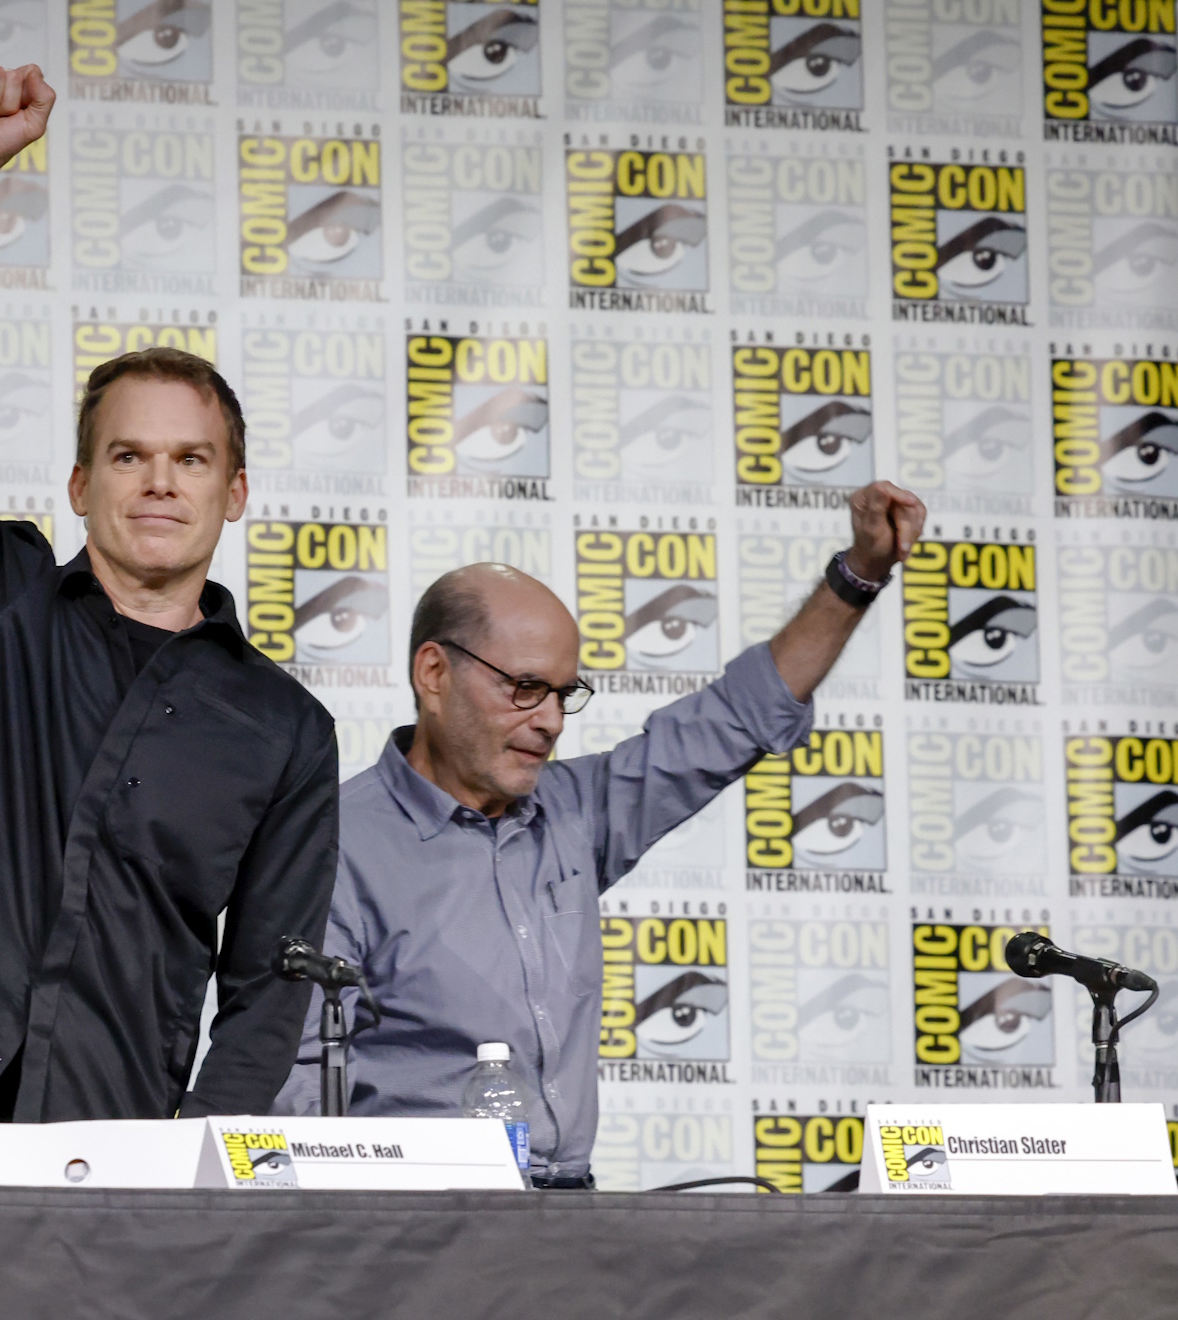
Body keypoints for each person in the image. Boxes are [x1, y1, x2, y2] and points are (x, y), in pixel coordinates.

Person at [0, 63, 337, 1163]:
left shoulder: (288, 730)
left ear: (233, 492)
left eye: (191, 459)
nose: (160, 482)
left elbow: (265, 996)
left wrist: (193, 1171)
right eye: (129, 456)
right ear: (79, 486)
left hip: (113, 1152)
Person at [274, 482, 926, 1188]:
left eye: (564, 693)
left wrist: (859, 575)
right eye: (525, 687)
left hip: (572, 1217)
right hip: (412, 1230)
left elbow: (736, 718)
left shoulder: (574, 812)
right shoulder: (335, 847)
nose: (551, 720)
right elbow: (295, 1088)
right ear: (434, 673)